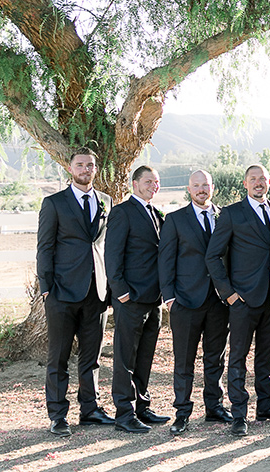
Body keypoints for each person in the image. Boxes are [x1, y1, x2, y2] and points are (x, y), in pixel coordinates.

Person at [205, 164, 270, 437]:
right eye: (253, 179)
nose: (258, 183)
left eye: (262, 179)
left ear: (269, 182)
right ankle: (239, 413)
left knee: (266, 357)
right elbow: (213, 256)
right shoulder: (231, 213)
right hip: (242, 299)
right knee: (237, 357)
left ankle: (267, 406)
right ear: (245, 183)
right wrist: (228, 293)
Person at [36, 148, 114, 437]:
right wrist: (46, 289)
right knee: (58, 357)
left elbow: (107, 246)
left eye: (90, 165)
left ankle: (90, 409)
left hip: (97, 292)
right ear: (71, 169)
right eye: (80, 165)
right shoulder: (54, 203)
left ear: (96, 169)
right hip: (61, 293)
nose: (86, 169)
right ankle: (57, 415)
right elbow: (45, 248)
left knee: (91, 357)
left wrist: (110, 287)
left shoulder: (105, 201)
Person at [157, 169, 232, 436]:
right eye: (197, 186)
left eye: (206, 185)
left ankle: (215, 408)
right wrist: (170, 298)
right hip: (185, 301)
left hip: (219, 302)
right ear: (190, 189)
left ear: (213, 187)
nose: (202, 189)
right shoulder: (175, 219)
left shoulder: (226, 216)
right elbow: (165, 261)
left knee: (216, 359)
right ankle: (182, 413)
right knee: (184, 361)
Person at [105, 165, 170, 433]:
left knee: (145, 355)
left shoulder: (157, 214)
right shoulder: (122, 212)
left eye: (156, 182)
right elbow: (112, 254)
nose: (152, 186)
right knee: (124, 357)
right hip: (130, 298)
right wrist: (121, 291)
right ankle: (124, 412)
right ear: (134, 183)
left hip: (153, 298)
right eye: (147, 181)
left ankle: (142, 406)